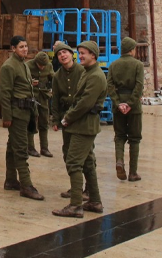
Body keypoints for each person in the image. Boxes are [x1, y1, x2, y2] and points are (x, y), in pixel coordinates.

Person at [52, 40, 108, 218]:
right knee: (87, 162)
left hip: (84, 125)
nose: (80, 56)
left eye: (83, 53)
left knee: (74, 162)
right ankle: (95, 201)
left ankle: (76, 205)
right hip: (80, 123)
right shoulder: (87, 72)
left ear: (93, 55)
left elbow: (85, 103)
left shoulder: (95, 76)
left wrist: (67, 118)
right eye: (80, 53)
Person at [0, 35, 43, 200]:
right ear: (13, 49)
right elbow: (5, 93)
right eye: (21, 47)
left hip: (25, 112)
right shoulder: (9, 66)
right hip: (16, 113)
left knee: (12, 147)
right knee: (21, 149)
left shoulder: (23, 64)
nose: (25, 49)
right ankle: (26, 185)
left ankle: (10, 180)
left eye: (25, 46)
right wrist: (7, 117)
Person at [50, 43, 86, 200]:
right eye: (59, 54)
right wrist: (55, 119)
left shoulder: (82, 71)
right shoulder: (57, 76)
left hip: (81, 116)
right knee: (68, 153)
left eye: (65, 52)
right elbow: (55, 99)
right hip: (66, 119)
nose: (62, 56)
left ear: (72, 54)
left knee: (86, 154)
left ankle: (89, 189)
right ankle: (75, 187)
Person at [108, 36, 145, 181]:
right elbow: (139, 86)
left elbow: (110, 85)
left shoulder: (113, 65)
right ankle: (133, 172)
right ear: (132, 50)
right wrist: (130, 103)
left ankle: (119, 161)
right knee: (134, 138)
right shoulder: (138, 65)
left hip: (118, 106)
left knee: (119, 136)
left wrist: (118, 103)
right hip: (133, 107)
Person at [28, 51, 54, 158]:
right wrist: (30, 82)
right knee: (31, 121)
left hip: (43, 96)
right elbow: (22, 79)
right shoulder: (28, 65)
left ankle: (44, 148)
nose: (42, 67)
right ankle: (30, 147)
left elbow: (53, 78)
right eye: (40, 65)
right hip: (32, 96)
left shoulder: (49, 66)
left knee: (44, 122)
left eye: (44, 65)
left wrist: (53, 89)